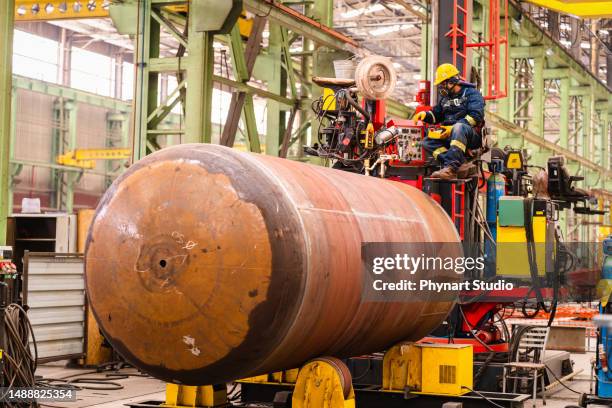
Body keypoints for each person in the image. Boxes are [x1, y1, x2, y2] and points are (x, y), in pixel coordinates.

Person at [413, 63, 485, 180]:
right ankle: (461, 165)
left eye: (443, 84)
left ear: (451, 81)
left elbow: (476, 116)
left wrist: (454, 127)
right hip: (451, 134)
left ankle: (451, 169)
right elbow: (437, 114)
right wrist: (425, 115)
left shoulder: (472, 94)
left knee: (459, 128)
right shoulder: (446, 99)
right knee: (427, 142)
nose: (442, 87)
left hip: (470, 135)